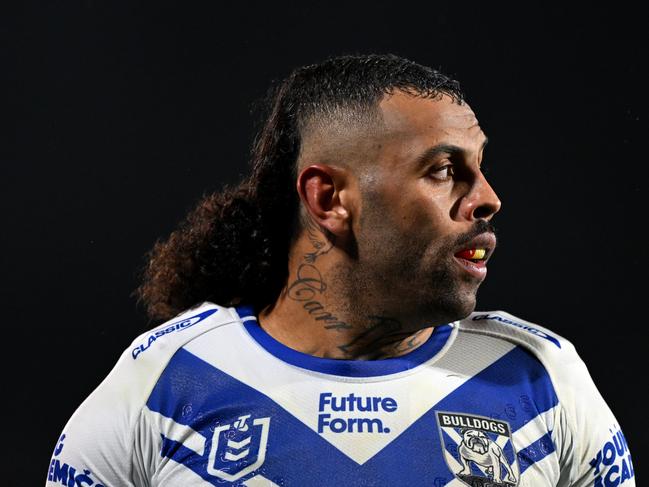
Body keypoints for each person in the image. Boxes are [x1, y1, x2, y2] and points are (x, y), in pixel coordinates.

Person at [46, 53, 634, 487]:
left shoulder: (542, 380)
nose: (488, 198)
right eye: (443, 169)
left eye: (479, 166)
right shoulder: (166, 381)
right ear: (329, 199)